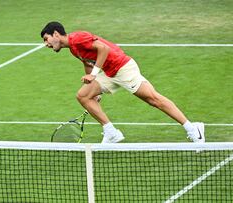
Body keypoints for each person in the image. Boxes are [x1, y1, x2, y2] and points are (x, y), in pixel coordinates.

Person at [40, 21, 205, 143]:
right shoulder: (73, 49)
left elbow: (104, 49)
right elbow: (87, 63)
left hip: (122, 68)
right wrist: (92, 86)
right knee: (83, 95)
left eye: (46, 39)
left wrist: (94, 75)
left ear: (56, 34)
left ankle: (193, 129)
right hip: (109, 72)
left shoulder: (78, 38)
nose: (46, 44)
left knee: (153, 99)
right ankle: (110, 131)